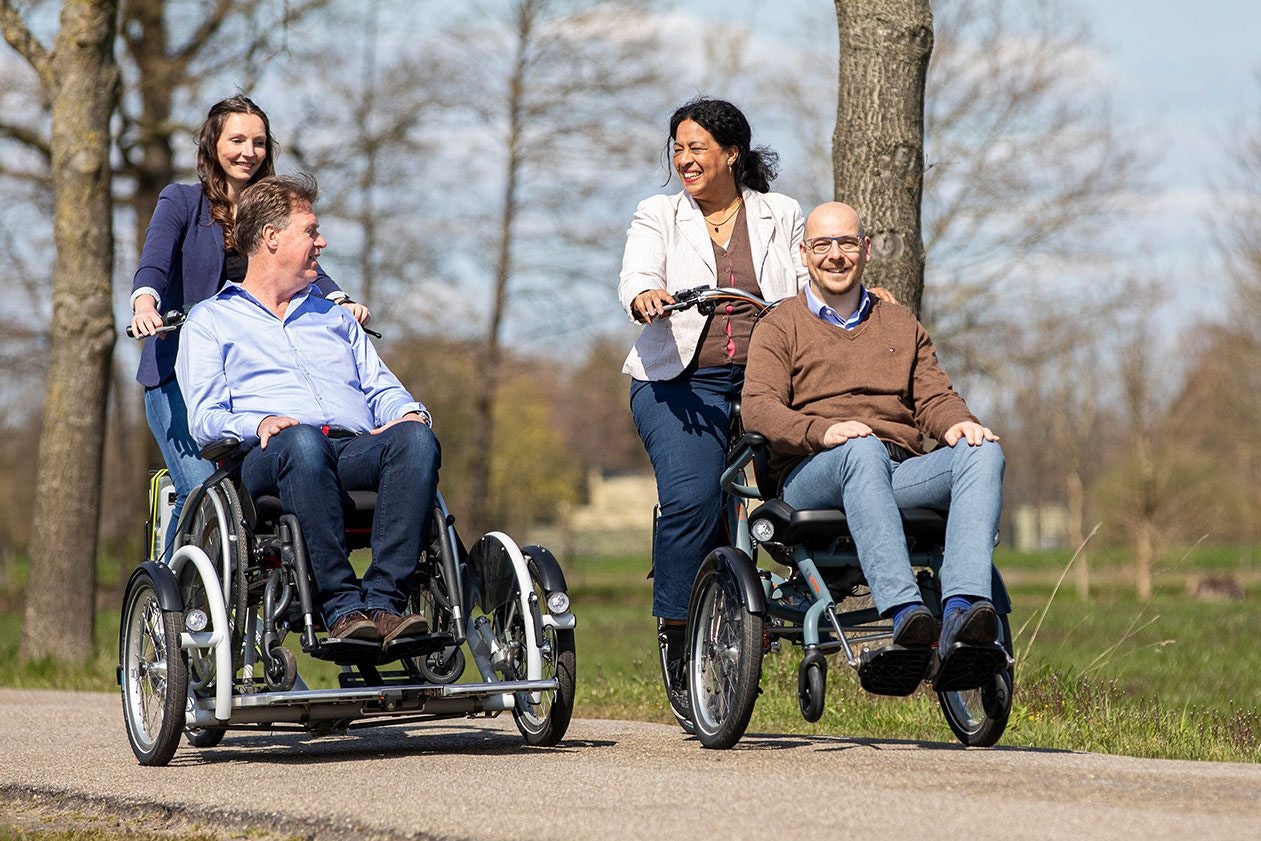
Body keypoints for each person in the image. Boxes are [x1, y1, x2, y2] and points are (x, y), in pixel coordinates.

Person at [741, 201, 1008, 691]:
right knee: (859, 448)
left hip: (894, 468)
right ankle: (905, 611)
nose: (835, 255)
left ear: (865, 250)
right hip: (810, 474)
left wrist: (960, 425)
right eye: (823, 244)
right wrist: (822, 431)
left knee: (983, 451)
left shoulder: (898, 322)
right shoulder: (780, 325)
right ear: (804, 253)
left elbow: (935, 397)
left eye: (846, 243)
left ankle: (962, 613)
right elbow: (758, 409)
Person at [176, 173, 439, 644]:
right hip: (270, 455)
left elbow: (382, 388)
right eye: (311, 230)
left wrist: (406, 412)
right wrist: (258, 423)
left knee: (416, 438)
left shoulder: (335, 316)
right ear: (271, 238)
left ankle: (383, 605)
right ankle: (339, 609)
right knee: (300, 441)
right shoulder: (211, 320)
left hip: (350, 450)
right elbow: (204, 417)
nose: (322, 241)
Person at [618, 97, 809, 719]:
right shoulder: (659, 214)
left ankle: (804, 609)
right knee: (692, 499)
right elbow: (636, 272)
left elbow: (810, 282)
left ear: (732, 154)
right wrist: (646, 293)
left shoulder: (780, 214)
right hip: (679, 383)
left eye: (696, 147)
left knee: (803, 495)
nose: (683, 159)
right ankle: (678, 631)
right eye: (677, 148)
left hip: (768, 382)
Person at [129, 96, 370, 552]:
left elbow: (301, 261)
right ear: (212, 145)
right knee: (204, 488)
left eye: (258, 142)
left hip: (245, 375)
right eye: (236, 139)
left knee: (252, 495)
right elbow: (154, 263)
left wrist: (339, 299)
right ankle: (173, 591)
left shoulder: (275, 208)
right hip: (180, 375)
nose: (248, 151)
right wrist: (146, 304)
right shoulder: (182, 202)